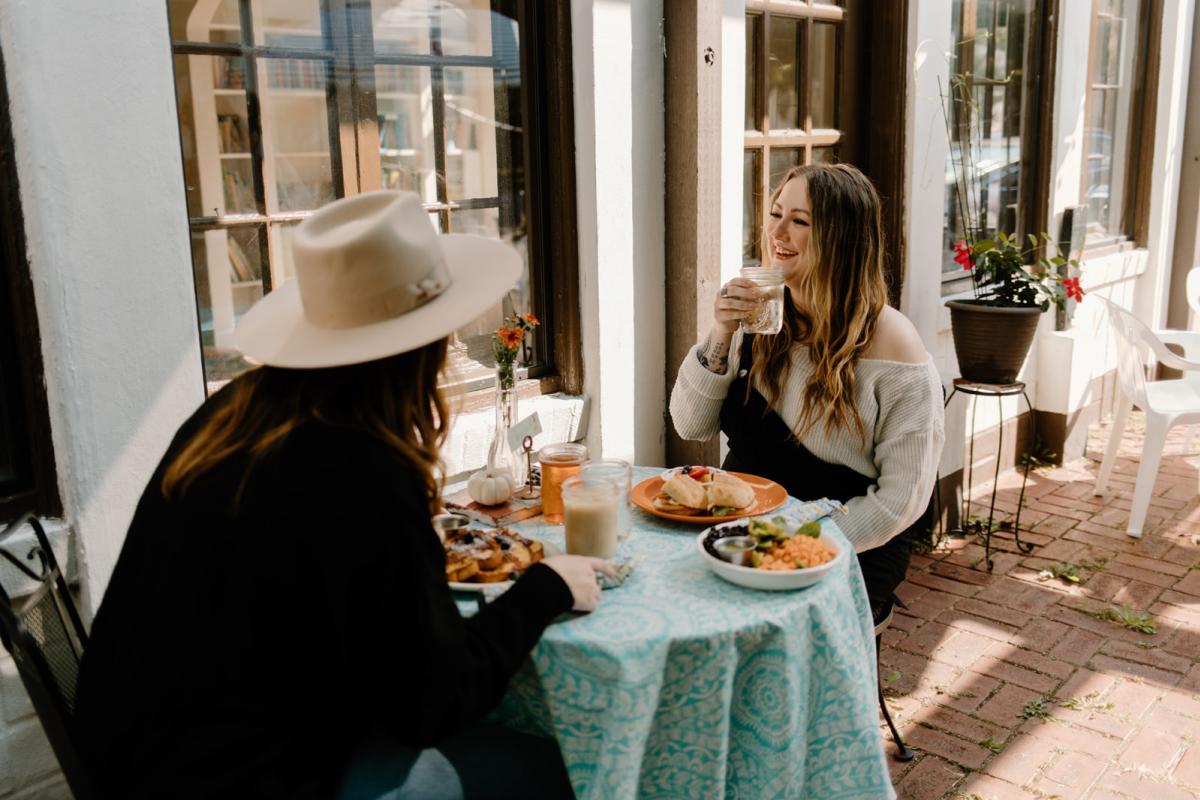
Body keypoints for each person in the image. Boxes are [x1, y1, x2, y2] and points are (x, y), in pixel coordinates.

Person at [75, 191, 609, 799]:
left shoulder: (232, 413)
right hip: (236, 779)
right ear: (425, 348)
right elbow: (430, 704)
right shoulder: (363, 468)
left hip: (128, 760)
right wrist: (548, 588)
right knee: (560, 769)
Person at [670, 163, 944, 618]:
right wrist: (721, 330)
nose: (777, 232)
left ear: (844, 239)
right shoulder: (761, 315)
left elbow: (902, 499)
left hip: (845, 544)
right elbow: (690, 423)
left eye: (800, 221)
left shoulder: (893, 342)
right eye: (776, 213)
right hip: (741, 529)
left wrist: (791, 547)